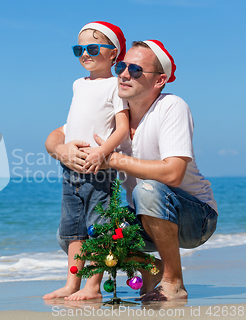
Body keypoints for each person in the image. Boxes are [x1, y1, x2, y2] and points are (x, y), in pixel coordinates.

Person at [50, 39, 218, 301]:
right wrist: (61, 150)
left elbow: (173, 174)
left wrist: (113, 159)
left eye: (136, 70)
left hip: (195, 217)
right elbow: (56, 135)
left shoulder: (171, 106)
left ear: (159, 80)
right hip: (144, 217)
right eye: (121, 67)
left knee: (147, 190)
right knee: (81, 230)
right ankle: (151, 268)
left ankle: (173, 281)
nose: (125, 74)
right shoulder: (115, 112)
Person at [43, 21, 129, 301]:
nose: (84, 53)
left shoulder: (116, 86)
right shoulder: (77, 84)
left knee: (98, 229)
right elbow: (72, 124)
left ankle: (92, 287)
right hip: (70, 168)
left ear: (114, 53)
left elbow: (122, 128)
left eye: (93, 47)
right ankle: (71, 283)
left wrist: (102, 153)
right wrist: (65, 147)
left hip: (98, 170)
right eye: (79, 48)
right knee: (73, 231)